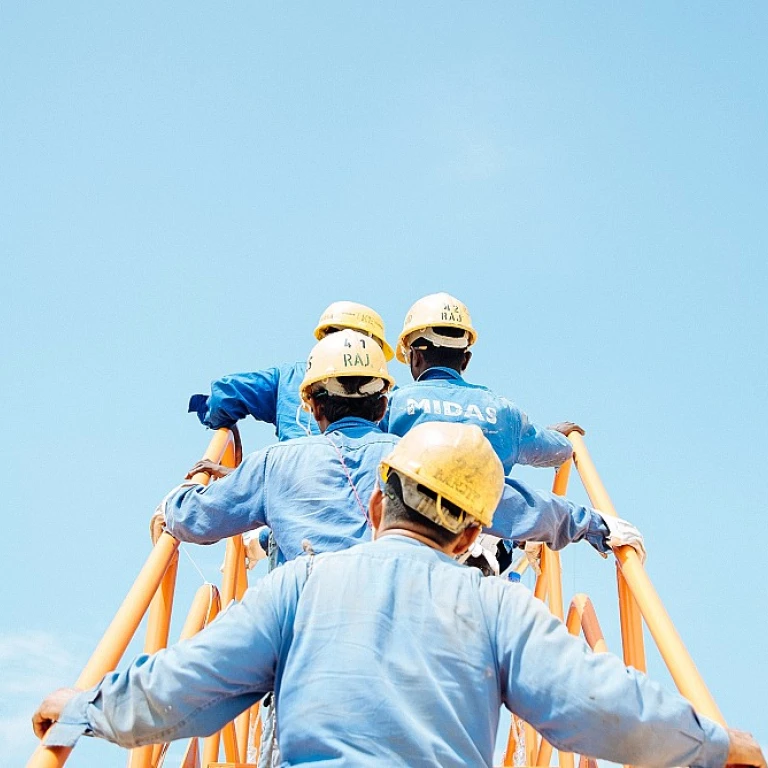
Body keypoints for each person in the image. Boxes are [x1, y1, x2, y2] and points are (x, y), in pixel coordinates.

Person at [33, 423, 763, 768]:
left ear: (378, 505)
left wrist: (79, 714)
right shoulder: (500, 607)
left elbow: (184, 687)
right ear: (470, 533)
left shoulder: (297, 587)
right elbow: (596, 702)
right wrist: (712, 744)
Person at [154, 331, 643, 567]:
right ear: (383, 396)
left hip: (305, 647)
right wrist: (594, 524)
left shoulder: (273, 465)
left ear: (312, 404)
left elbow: (194, 519)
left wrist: (183, 494)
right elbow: (513, 503)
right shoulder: (422, 458)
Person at [188, 300, 395, 441]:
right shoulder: (389, 395)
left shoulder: (286, 379)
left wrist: (222, 423)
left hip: (289, 486)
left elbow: (225, 396)